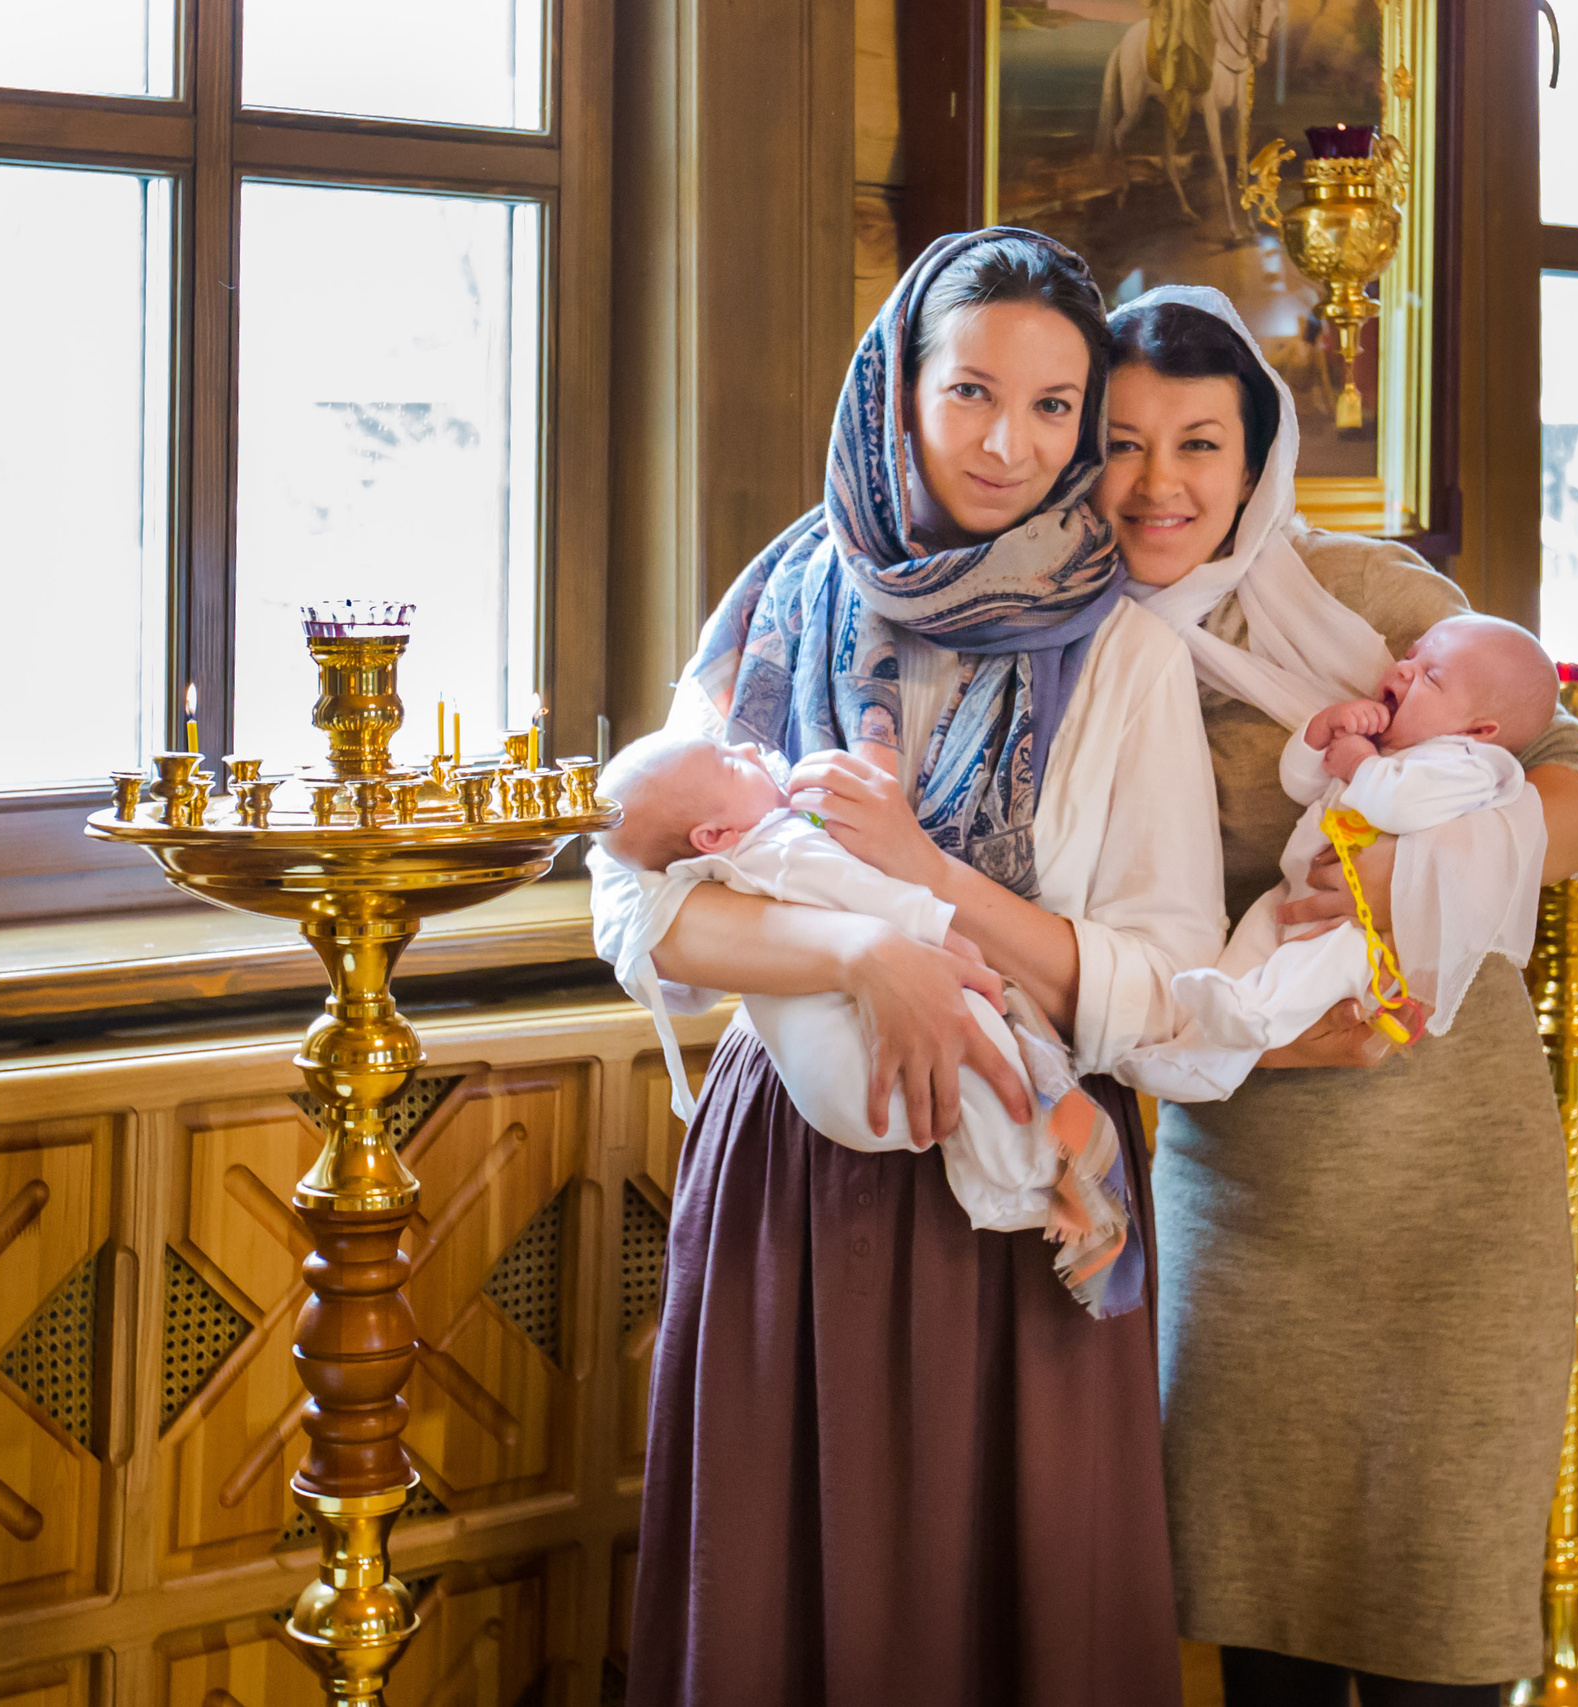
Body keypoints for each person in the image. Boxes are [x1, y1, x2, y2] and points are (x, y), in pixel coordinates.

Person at [592, 229, 1224, 1705]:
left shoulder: (1119, 653)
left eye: (1056, 406)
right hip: (791, 1178)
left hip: (1024, 1204)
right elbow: (631, 905)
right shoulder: (773, 604)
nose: (1010, 442)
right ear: (897, 389)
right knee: (789, 1608)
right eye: (972, 392)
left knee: (1013, 1614)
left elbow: (1172, 982)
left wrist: (939, 899)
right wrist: (866, 949)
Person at [1100, 284, 1578, 1707]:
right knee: (1263, 1632)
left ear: (1257, 448)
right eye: (1122, 440)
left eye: (1200, 442)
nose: (1162, 482)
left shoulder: (1377, 600)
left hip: (1454, 1199)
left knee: (1440, 1637)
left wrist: (1428, 873)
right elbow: (1075, 940)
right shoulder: (1074, 647)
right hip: (1252, 1194)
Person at [598, 728, 1140, 1316]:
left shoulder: (714, 864)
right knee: (988, 1070)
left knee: (964, 1103)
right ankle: (1058, 1167)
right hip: (842, 1077)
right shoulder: (778, 846)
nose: (752, 749)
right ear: (712, 835)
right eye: (732, 763)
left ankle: (1022, 1196)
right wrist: (924, 936)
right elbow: (865, 891)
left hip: (829, 1090)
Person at [1126, 613, 1557, 1098]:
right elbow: (1302, 784)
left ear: (1479, 730)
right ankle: (1195, 1060)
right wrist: (1321, 733)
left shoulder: (1470, 766)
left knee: (1313, 968)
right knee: (1243, 955)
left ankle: (1255, 1016)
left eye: (1431, 677)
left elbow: (1399, 804)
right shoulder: (1390, 747)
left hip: (1365, 935)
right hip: (1296, 895)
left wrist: (1361, 761)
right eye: (1411, 656)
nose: (1404, 670)